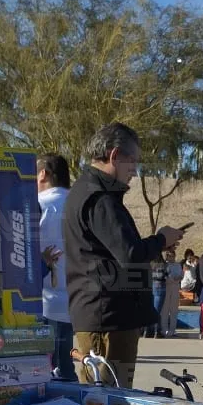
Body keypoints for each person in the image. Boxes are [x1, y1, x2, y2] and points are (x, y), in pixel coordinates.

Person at [64, 122, 184, 388]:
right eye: (132, 161)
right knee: (108, 402)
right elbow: (129, 254)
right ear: (114, 155)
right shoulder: (100, 199)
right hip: (108, 318)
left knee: (108, 397)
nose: (135, 170)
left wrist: (157, 244)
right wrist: (161, 239)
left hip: (107, 314)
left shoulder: (90, 192)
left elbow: (115, 250)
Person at [35, 154, 74, 379]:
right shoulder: (80, 205)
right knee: (66, 369)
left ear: (43, 174)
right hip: (74, 303)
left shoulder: (40, 205)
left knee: (47, 373)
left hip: (46, 302)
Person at [146, 252, 168, 339]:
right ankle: (156, 331)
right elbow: (166, 275)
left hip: (151, 287)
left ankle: (147, 331)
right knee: (157, 311)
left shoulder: (150, 264)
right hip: (160, 287)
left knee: (151, 309)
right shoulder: (163, 265)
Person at [160, 249, 182, 337]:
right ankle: (164, 329)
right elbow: (164, 276)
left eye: (173, 255)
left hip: (175, 288)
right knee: (165, 310)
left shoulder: (177, 265)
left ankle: (173, 330)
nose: (171, 257)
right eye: (169, 255)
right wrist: (171, 279)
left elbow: (181, 275)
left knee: (174, 310)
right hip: (166, 288)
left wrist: (177, 278)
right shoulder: (164, 265)